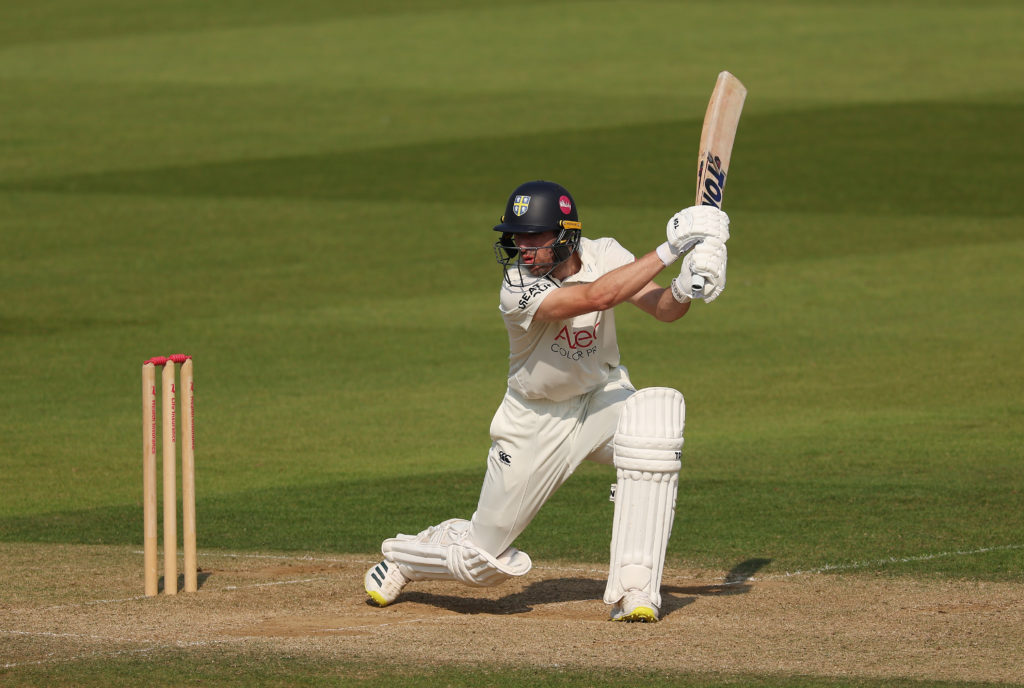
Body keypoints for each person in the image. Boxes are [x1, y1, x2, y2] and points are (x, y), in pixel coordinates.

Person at [364, 180, 729, 622]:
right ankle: (409, 556)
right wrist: (671, 249)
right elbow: (595, 297)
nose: (524, 248)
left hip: (601, 398)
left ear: (567, 235)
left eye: (535, 237)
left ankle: (636, 589)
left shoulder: (605, 253)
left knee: (653, 432)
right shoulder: (516, 285)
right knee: (482, 563)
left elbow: (663, 309)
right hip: (534, 419)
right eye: (518, 237)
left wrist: (685, 287)